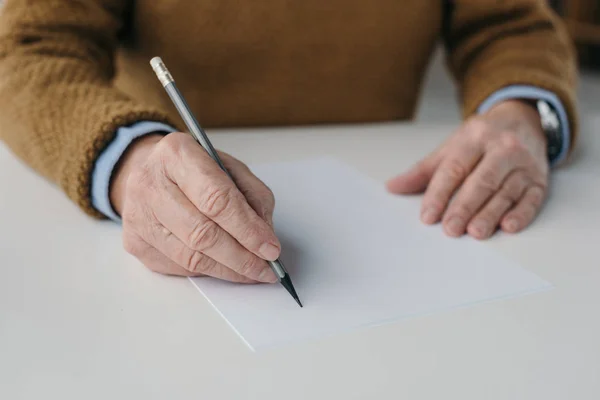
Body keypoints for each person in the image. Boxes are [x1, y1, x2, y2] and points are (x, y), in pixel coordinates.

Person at [0, 1, 577, 283]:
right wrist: (127, 159)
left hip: (384, 190)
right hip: (163, 202)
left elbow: (512, 25)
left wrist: (519, 110)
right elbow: (29, 52)